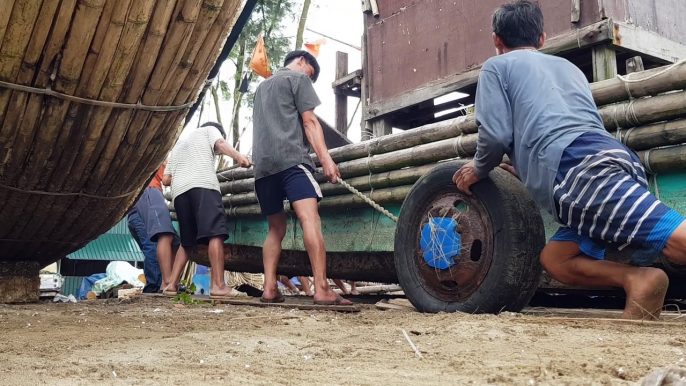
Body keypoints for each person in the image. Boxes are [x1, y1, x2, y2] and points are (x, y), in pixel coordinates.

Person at [453, 0, 686, 320]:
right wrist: (528, 171)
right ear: (543, 38)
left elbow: (493, 136)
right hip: (608, 160)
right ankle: (639, 279)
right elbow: (561, 125)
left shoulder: (497, 67)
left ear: (496, 40)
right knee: (556, 259)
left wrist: (478, 169)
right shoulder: (568, 69)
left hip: (581, 168)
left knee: (677, 242)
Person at [252, 50, 352, 305]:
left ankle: (269, 288)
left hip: (263, 169)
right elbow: (309, 123)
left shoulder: (261, 89)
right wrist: (327, 159)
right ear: (302, 62)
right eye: (311, 74)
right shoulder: (298, 79)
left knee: (275, 229)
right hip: (292, 161)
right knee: (310, 219)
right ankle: (321, 288)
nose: (310, 79)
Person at [163, 122, 251, 299]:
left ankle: (171, 285)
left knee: (187, 242)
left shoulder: (180, 145)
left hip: (179, 193)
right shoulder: (210, 130)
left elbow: (166, 180)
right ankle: (218, 286)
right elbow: (220, 144)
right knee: (215, 234)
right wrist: (239, 157)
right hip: (203, 186)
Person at [127, 162, 182, 295]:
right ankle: (160, 285)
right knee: (160, 238)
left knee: (175, 241)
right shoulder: (159, 157)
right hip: (148, 191)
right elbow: (167, 178)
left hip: (135, 207)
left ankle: (168, 282)